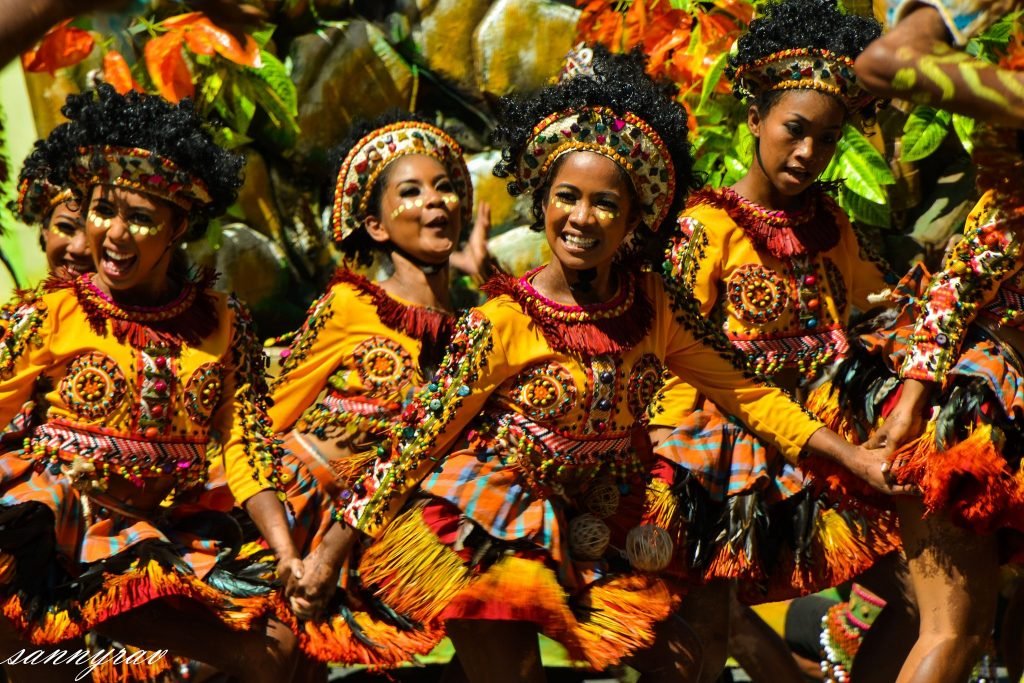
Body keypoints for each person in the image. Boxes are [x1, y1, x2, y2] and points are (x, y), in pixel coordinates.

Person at [286, 47, 905, 683]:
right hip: (493, 521)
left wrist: (852, 458)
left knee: (687, 663)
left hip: (606, 516)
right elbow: (414, 443)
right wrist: (329, 554)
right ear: (542, 203)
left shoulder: (655, 306)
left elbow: (747, 393)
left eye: (605, 203)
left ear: (635, 218)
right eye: (566, 197)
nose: (582, 219)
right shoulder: (502, 321)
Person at [643, 1, 915, 679]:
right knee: (708, 628)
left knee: (919, 590)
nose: (807, 153)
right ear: (754, 120)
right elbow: (673, 358)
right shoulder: (705, 227)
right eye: (795, 130)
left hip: (827, 443)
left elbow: (880, 303)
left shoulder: (833, 223)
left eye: (826, 140)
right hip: (719, 454)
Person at [0, 85, 304, 683]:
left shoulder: (222, 323)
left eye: (140, 218)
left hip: (155, 542)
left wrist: (288, 553)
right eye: (101, 211)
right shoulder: (51, 312)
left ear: (178, 227)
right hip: (49, 540)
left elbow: (247, 449)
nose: (113, 234)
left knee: (272, 651)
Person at [812, 1, 1024, 680]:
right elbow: (967, 267)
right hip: (972, 410)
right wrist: (914, 393)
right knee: (952, 630)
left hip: (974, 394)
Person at [266, 111, 484, 666]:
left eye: (444, 189)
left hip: (387, 531)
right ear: (378, 226)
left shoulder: (477, 330)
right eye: (411, 192)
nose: (435, 201)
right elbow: (271, 413)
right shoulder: (349, 305)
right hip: (300, 513)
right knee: (270, 660)